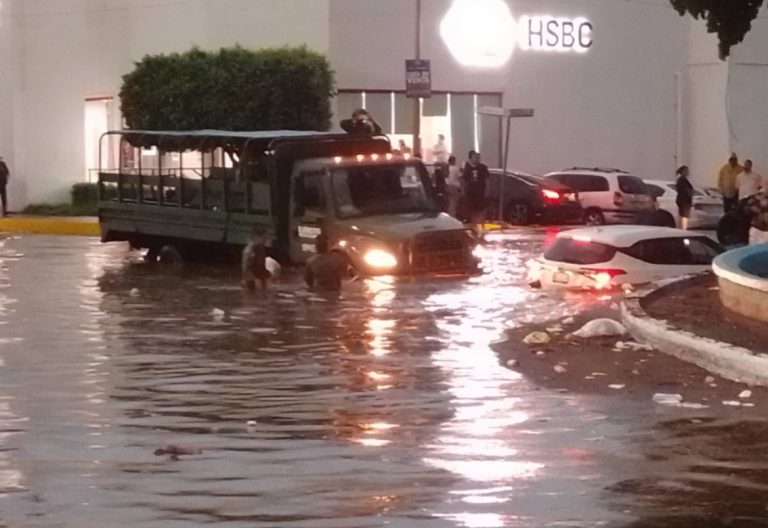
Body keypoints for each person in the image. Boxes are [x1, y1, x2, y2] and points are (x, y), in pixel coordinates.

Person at [461, 151, 490, 225]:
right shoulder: (466, 167)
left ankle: (480, 223)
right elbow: (463, 180)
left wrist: (487, 191)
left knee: (480, 209)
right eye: (475, 157)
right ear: (471, 158)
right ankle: (472, 223)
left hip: (480, 192)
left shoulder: (483, 167)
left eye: (478, 158)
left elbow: (487, 180)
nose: (477, 159)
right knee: (470, 209)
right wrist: (463, 191)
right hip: (470, 192)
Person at [675, 165, 694, 230]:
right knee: (684, 215)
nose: (688, 172)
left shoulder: (682, 180)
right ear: (683, 171)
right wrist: (690, 193)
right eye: (686, 170)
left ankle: (682, 228)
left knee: (683, 215)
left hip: (684, 200)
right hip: (684, 200)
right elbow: (685, 190)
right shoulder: (682, 180)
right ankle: (683, 228)